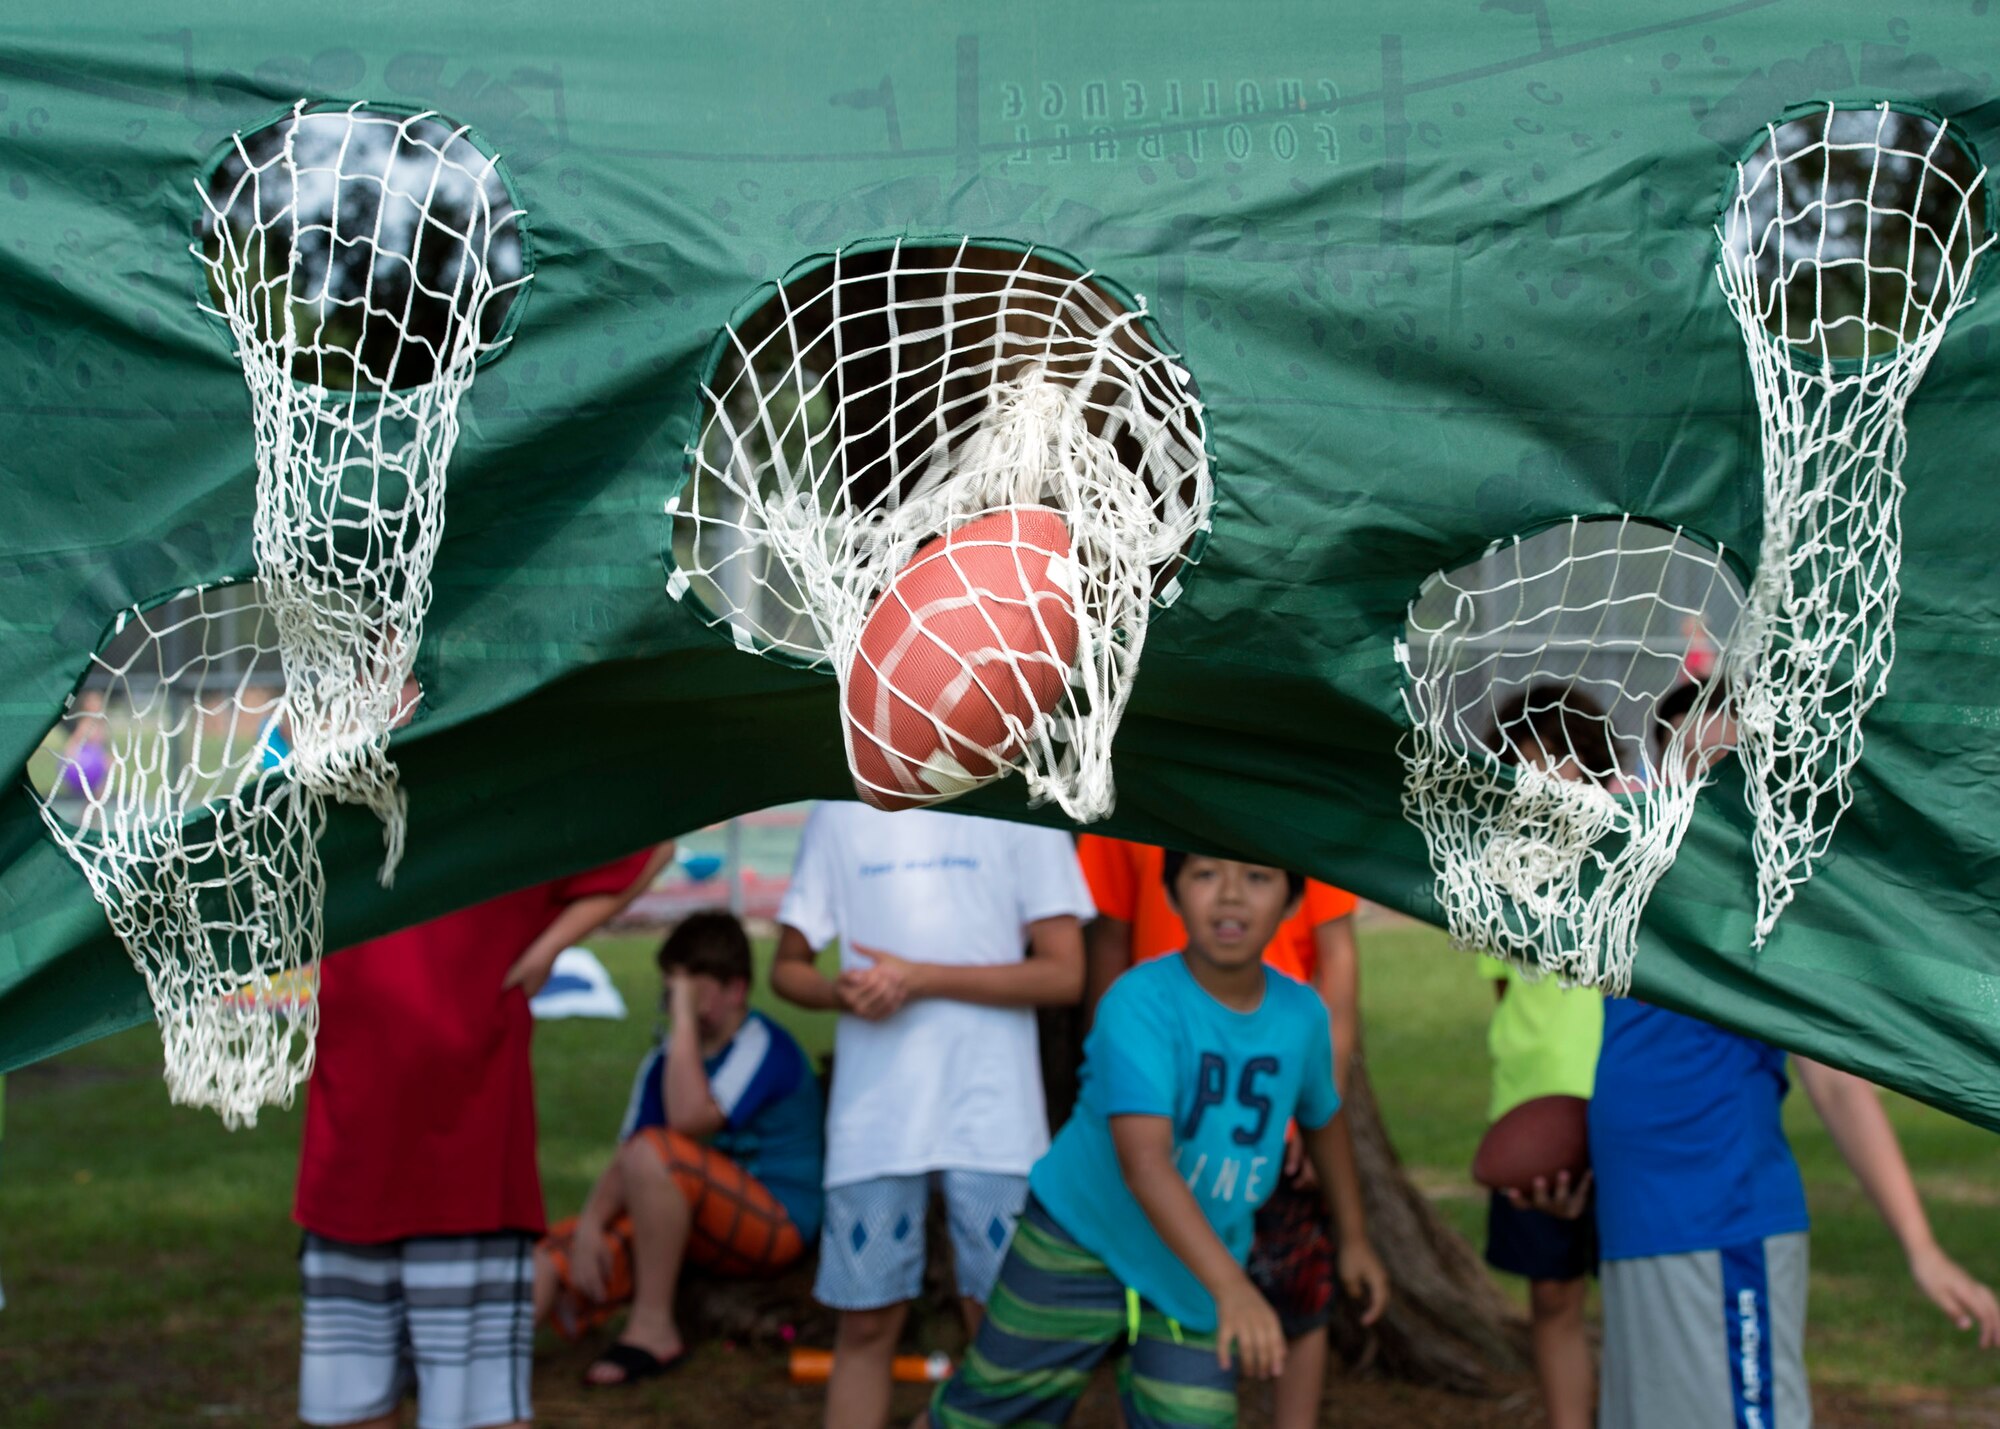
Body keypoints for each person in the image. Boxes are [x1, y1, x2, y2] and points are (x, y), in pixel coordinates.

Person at [1524, 690, 2000, 1428]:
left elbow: (1837, 1086)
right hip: (1636, 1227)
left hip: (1725, 1225)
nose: (1707, 784)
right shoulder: (1629, 887)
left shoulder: (1765, 904)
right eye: (1688, 761)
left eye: (1731, 766)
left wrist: (1922, 1245)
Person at [925, 852, 1390, 1429]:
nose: (1230, 895)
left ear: (1294, 903)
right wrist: (1234, 1289)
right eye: (1203, 875)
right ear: (1171, 896)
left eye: (1258, 877)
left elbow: (1323, 1118)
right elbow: (1145, 1164)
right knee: (986, 1415)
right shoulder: (1138, 1003)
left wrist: (1354, 1239)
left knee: (1193, 1418)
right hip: (1083, 1237)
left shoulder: (1302, 1015)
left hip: (1193, 1262)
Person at [293, 844, 671, 1429]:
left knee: (476, 1412)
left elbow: (653, 845)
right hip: (349, 1156)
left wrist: (549, 946)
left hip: (470, 1164)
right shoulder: (331, 811)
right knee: (352, 1408)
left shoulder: (496, 805)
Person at [770, 801, 1092, 1429]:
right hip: (875, 1121)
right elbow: (787, 966)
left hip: (995, 1117)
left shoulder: (1020, 804)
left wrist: (921, 979)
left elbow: (1064, 972)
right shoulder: (840, 812)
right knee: (864, 1322)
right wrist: (838, 991)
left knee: (1002, 1329)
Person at [1078, 834, 1361, 1429]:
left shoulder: (1296, 808)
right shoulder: (1134, 792)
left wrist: (1317, 1100)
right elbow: (1108, 937)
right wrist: (1112, 1073)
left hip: (1269, 1112)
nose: (1231, 893)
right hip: (1159, 1106)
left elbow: (1337, 955)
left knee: (1299, 1288)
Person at [534, 909, 825, 1386]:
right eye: (672, 987)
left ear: (735, 990)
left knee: (660, 1152)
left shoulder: (761, 1044)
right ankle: (475, 1363)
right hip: (692, 1220)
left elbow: (687, 1121)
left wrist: (684, 1022)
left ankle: (653, 1329)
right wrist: (589, 1225)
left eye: (690, 987)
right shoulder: (666, 1062)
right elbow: (630, 1155)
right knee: (551, 1253)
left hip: (777, 1219)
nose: (673, 999)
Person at [1479, 685, 1612, 1429]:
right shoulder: (1491, 890)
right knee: (1553, 1293)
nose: (1544, 779)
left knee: (1634, 1286)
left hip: (1621, 1108)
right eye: (1525, 765)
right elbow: (1510, 1005)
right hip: (1532, 1114)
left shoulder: (1627, 874)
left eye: (1562, 761)